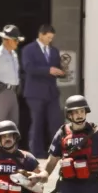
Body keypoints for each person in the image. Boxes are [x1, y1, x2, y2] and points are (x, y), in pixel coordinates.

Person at [21, 24, 64, 159]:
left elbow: (56, 68)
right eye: (48, 37)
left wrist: (61, 72)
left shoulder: (55, 51)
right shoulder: (28, 50)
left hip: (51, 93)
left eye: (52, 38)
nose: (50, 40)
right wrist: (48, 70)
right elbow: (28, 68)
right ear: (41, 35)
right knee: (37, 122)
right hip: (35, 93)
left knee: (56, 122)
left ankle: (56, 151)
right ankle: (36, 153)